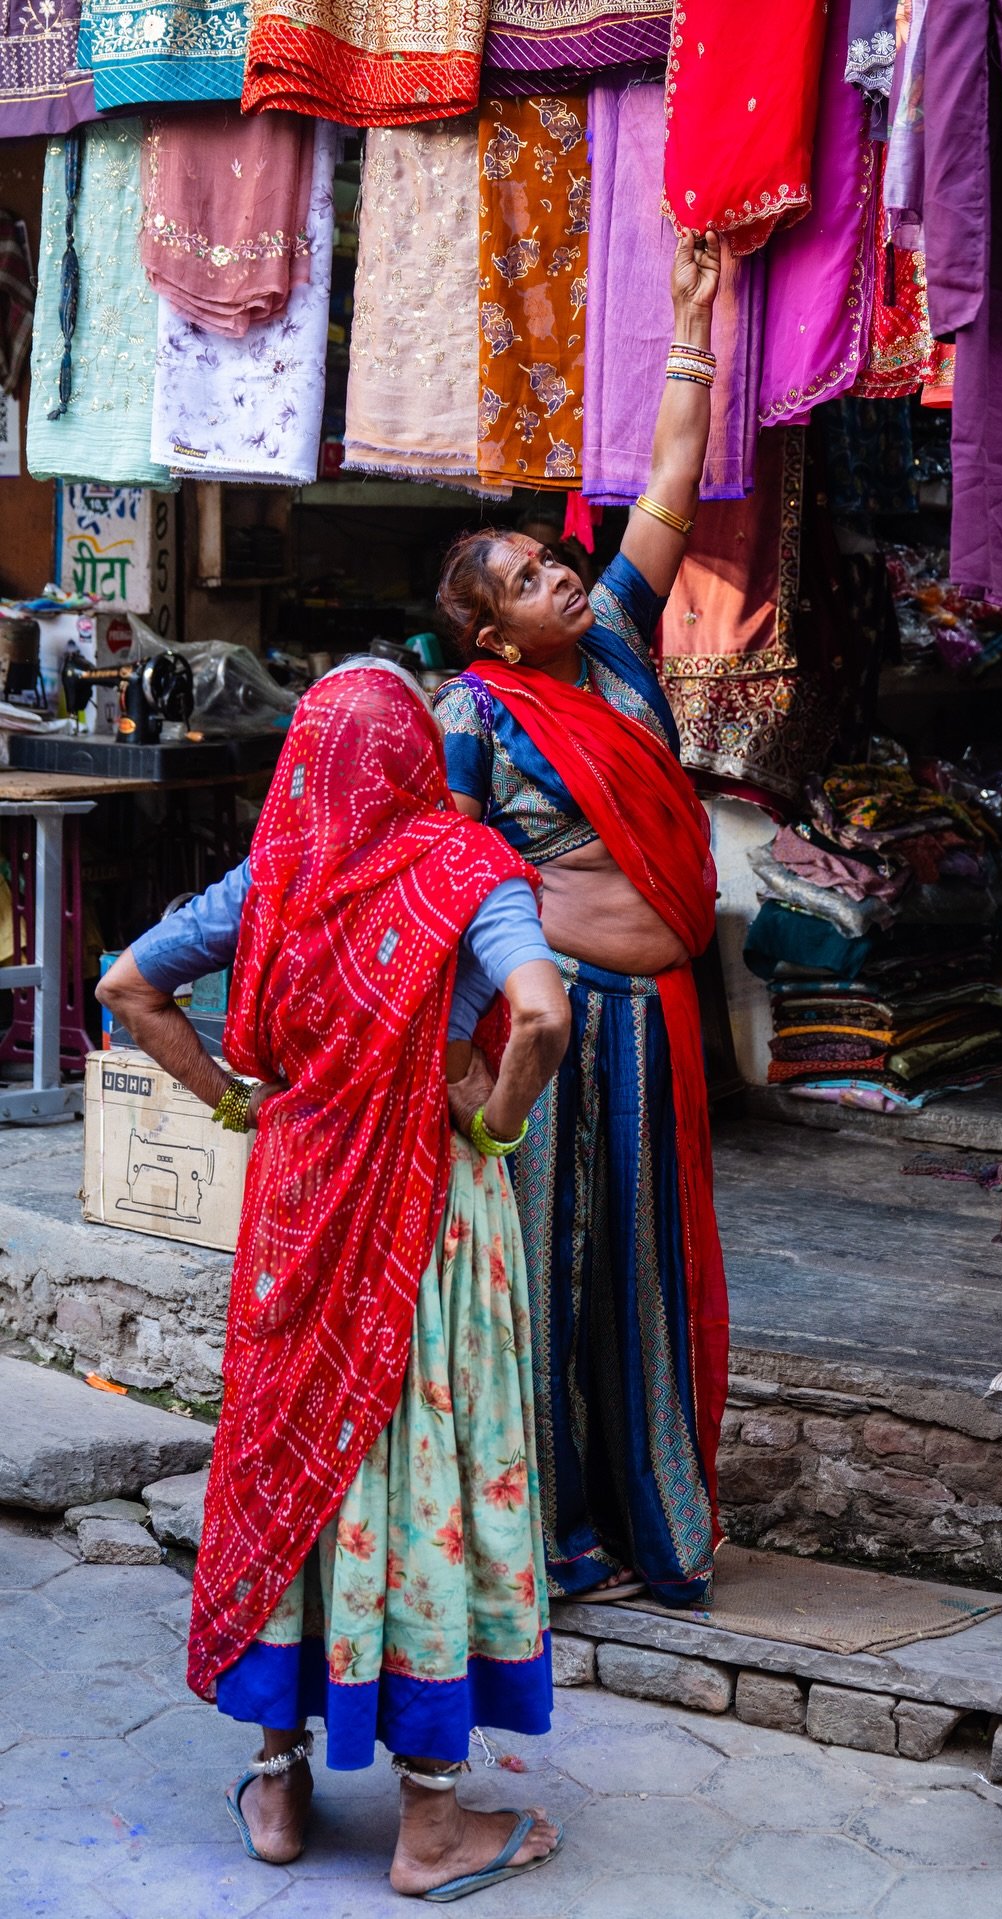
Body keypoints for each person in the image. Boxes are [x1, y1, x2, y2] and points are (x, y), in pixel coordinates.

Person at [97, 659, 572, 1901]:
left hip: (300, 1208)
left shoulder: (274, 879)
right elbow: (540, 1015)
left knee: (291, 1454)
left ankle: (277, 1781)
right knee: (423, 1470)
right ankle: (428, 1822)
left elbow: (127, 987)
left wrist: (239, 1103)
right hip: (431, 1219)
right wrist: (494, 1120)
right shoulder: (466, 871)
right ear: (419, 759)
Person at [432, 228, 727, 1608]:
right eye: (528, 576)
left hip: (655, 1014)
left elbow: (670, 475)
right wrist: (451, 1061)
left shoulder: (612, 638)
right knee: (545, 1274)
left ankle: (654, 1519)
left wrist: (690, 321)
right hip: (547, 1018)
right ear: (494, 635)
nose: (560, 572)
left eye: (554, 559)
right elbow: (440, 876)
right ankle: (542, 1540)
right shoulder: (474, 718)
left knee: (646, 1273)